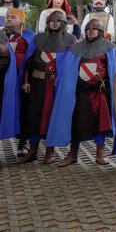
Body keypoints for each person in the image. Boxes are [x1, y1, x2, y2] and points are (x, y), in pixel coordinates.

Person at [46, 18, 116, 167]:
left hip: (99, 93)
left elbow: (114, 69)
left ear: (100, 31)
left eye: (94, 29)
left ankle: (100, 153)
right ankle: (73, 154)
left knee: (101, 124)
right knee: (76, 123)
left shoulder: (109, 47)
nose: (90, 31)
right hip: (80, 93)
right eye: (88, 29)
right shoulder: (77, 48)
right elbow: (68, 70)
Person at [17, 11, 77, 164]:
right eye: (51, 20)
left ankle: (50, 151)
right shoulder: (38, 39)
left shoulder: (70, 41)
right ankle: (32, 150)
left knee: (52, 118)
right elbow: (28, 63)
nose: (55, 23)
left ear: (63, 24)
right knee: (34, 117)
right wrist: (26, 81)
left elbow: (72, 66)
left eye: (58, 21)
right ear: (47, 23)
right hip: (37, 84)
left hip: (56, 87)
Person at [4, 8, 36, 156]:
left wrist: (26, 80)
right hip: (4, 78)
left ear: (21, 21)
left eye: (13, 17)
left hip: (21, 78)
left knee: (24, 110)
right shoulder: (3, 35)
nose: (9, 19)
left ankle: (23, 143)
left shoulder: (29, 37)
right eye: (7, 17)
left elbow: (31, 61)